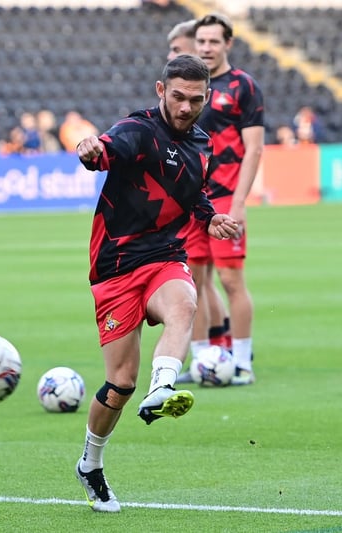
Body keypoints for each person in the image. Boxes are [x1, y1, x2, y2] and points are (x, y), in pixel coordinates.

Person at [74, 54, 239, 512]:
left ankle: (163, 387)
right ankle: (91, 464)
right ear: (160, 90)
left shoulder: (202, 144)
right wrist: (91, 150)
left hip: (165, 255)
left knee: (184, 301)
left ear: (207, 98)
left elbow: (192, 193)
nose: (187, 108)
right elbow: (105, 150)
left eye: (197, 99)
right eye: (179, 97)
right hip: (115, 266)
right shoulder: (139, 130)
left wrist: (211, 217)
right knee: (119, 383)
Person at [180, 13, 265, 385]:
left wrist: (240, 202)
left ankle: (243, 362)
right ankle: (201, 361)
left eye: (214, 41)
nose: (207, 48)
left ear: (228, 44)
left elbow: (254, 150)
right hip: (191, 203)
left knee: (231, 281)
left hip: (227, 198)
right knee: (192, 283)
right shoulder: (188, 87)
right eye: (201, 42)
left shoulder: (244, 86)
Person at [165, 18, 234, 371]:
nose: (171, 55)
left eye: (177, 49)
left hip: (205, 196)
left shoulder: (200, 96)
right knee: (204, 281)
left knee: (200, 281)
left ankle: (213, 354)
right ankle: (220, 352)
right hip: (200, 195)